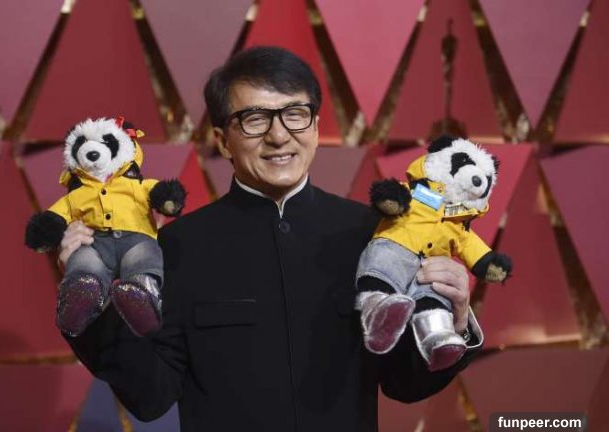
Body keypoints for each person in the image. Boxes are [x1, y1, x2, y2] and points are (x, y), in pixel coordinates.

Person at [62, 46, 483, 432]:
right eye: (255, 119)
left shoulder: (374, 235)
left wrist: (458, 320)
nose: (279, 136)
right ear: (223, 140)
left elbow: (403, 382)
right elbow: (151, 396)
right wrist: (89, 305)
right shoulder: (177, 246)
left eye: (295, 114)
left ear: (315, 126)